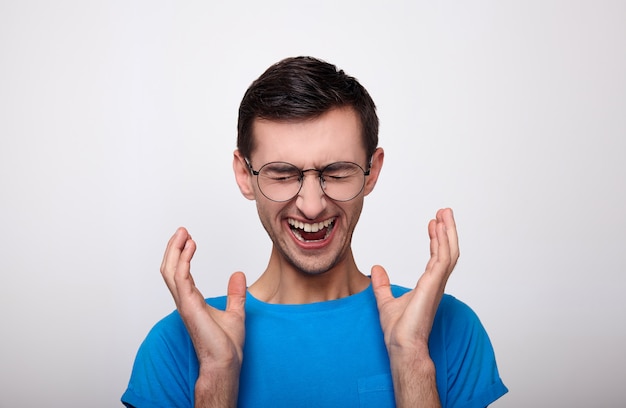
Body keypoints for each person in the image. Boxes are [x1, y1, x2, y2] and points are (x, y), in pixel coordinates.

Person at [122, 56, 508, 407]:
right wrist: (217, 375)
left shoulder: (449, 327)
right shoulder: (175, 346)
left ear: (371, 171)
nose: (311, 204)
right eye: (282, 174)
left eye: (337, 172)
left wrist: (411, 360)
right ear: (245, 175)